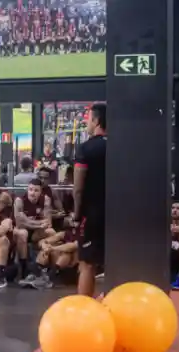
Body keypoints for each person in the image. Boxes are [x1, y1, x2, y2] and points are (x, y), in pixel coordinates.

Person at [73, 103, 107, 297]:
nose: (87, 123)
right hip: (118, 214)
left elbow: (78, 188)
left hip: (92, 215)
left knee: (87, 264)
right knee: (116, 261)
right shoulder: (121, 147)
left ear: (96, 121)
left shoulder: (86, 148)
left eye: (88, 119)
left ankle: (84, 307)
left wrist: (77, 215)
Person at [13, 179, 54, 285]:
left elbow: (48, 222)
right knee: (23, 233)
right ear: (27, 189)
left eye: (36, 190)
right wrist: (39, 223)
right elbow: (19, 224)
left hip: (36, 232)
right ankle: (23, 269)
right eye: (30, 189)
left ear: (41, 192)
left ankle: (49, 268)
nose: (32, 193)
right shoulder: (19, 200)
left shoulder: (46, 200)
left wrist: (28, 221)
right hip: (21, 231)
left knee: (51, 232)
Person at [34, 218, 79, 288]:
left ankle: (49, 277)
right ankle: (37, 275)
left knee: (66, 253)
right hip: (60, 258)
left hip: (75, 260)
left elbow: (73, 246)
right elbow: (42, 242)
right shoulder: (64, 233)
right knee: (45, 250)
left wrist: (53, 248)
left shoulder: (82, 235)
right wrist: (45, 246)